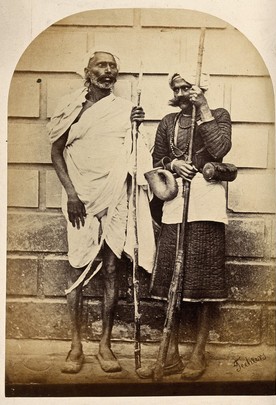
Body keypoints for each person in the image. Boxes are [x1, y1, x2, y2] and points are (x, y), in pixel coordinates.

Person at [47, 50, 155, 374]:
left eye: (112, 67)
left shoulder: (124, 110)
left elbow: (137, 155)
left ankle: (105, 345)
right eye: (101, 66)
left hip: (116, 199)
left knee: (111, 269)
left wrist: (138, 128)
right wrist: (71, 194)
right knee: (77, 266)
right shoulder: (71, 108)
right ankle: (75, 345)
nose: (107, 71)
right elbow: (55, 152)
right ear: (88, 71)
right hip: (79, 199)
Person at [137, 68, 232, 380]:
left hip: (207, 204)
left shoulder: (218, 114)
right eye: (176, 89)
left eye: (186, 88)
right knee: (171, 278)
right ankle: (172, 352)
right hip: (175, 202)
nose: (180, 94)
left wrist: (203, 107)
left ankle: (200, 352)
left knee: (203, 278)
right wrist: (173, 164)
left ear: (199, 88)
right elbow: (157, 159)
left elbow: (220, 150)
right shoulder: (169, 122)